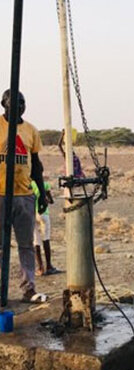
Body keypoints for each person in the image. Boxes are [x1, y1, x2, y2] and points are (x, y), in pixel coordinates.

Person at [0, 89, 48, 303]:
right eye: (14, 103)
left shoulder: (30, 130)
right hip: (0, 194)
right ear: (4, 104)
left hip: (24, 195)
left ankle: (28, 288)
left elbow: (36, 165)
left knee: (26, 244)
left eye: (22, 102)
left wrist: (42, 193)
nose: (19, 106)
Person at [32, 178, 59, 276]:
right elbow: (51, 201)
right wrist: (46, 201)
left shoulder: (30, 185)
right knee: (46, 239)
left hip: (32, 214)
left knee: (36, 241)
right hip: (44, 214)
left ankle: (40, 268)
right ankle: (49, 266)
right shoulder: (45, 184)